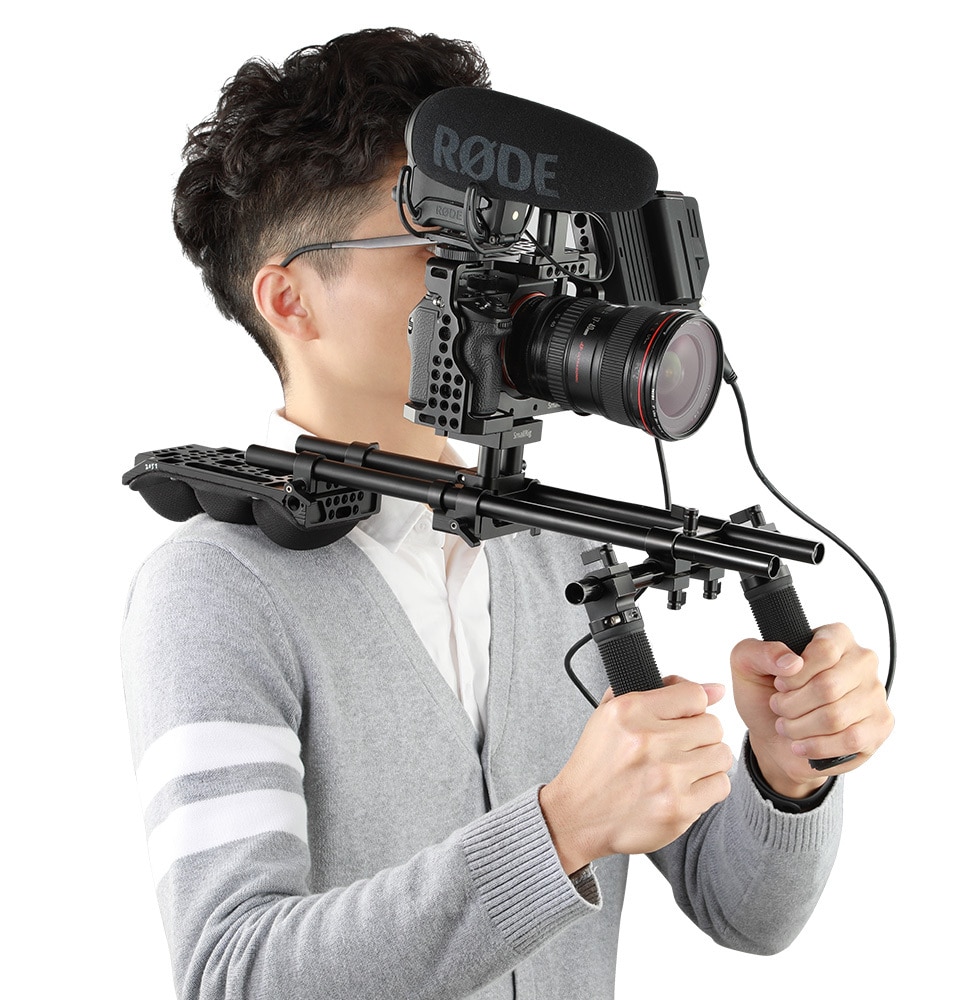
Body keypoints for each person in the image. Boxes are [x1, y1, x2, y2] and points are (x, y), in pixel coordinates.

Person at [121, 27, 894, 1000]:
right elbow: (233, 973)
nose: (507, 283)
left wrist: (788, 771)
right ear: (291, 300)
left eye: (505, 243)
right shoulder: (214, 585)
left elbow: (744, 908)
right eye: (437, 246)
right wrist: (561, 828)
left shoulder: (558, 544)